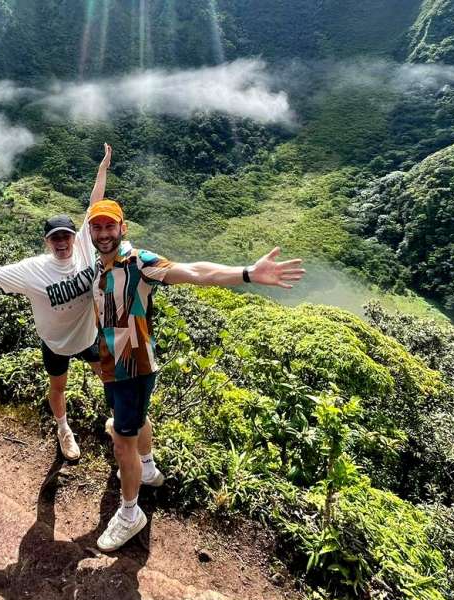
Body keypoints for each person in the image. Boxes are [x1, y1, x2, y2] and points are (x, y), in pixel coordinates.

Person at [86, 199, 305, 552]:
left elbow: (195, 272)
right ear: (91, 233)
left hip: (134, 368)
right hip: (111, 366)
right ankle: (147, 468)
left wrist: (248, 273)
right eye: (97, 227)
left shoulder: (139, 263)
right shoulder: (98, 266)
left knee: (121, 439)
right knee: (134, 419)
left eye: (110, 226)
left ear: (122, 228)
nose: (104, 233)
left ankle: (130, 514)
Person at [0, 144, 118, 461]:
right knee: (58, 388)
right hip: (55, 343)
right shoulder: (32, 270)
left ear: (76, 237)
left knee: (109, 378)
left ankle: (119, 425)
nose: (62, 243)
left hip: (88, 337)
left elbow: (95, 204)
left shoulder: (88, 249)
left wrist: (102, 168)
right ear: (47, 242)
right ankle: (63, 428)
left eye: (66, 236)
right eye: (55, 238)